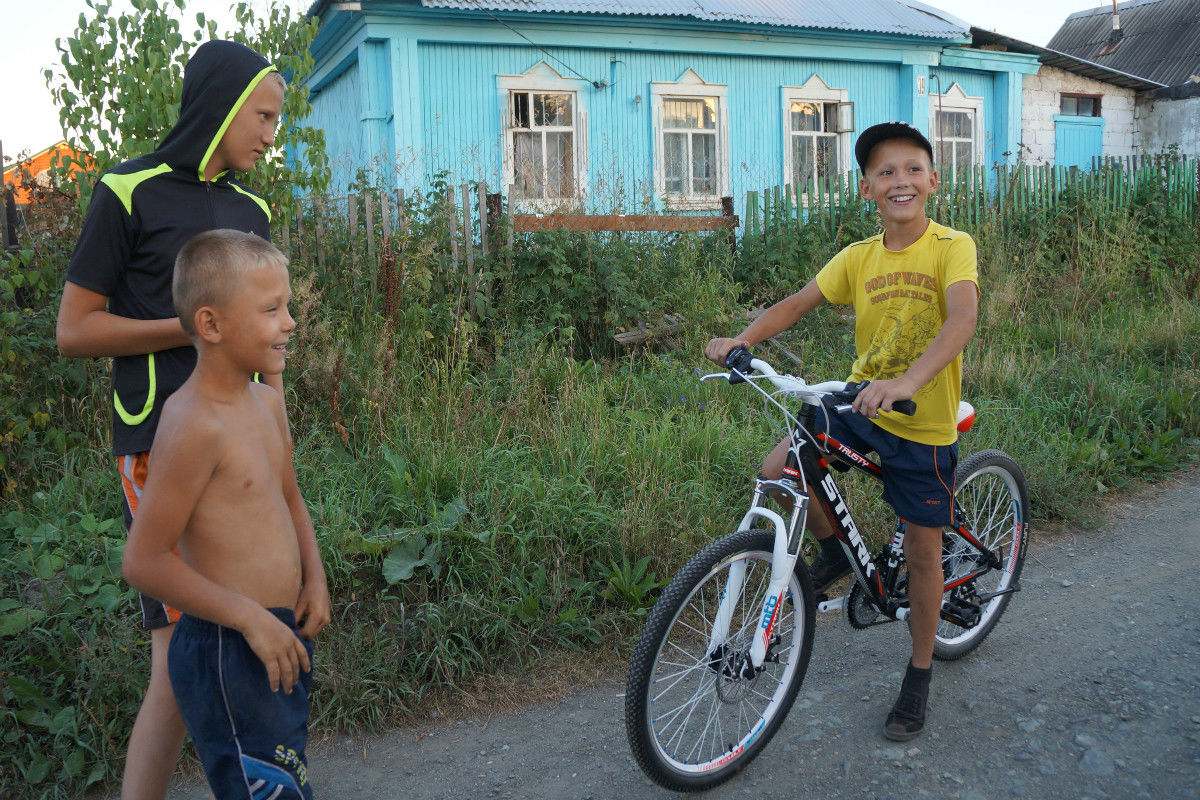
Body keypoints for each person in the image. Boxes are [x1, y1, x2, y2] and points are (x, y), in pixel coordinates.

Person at [54, 40, 322, 798]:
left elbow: (266, 340)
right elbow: (74, 329)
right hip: (157, 444)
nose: (273, 133)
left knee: (201, 652)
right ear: (222, 106)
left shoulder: (252, 209)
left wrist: (276, 426)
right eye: (265, 115)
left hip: (244, 441)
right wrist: (189, 328)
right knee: (182, 651)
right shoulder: (130, 189)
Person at [705, 121, 979, 742]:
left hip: (922, 421)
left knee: (922, 551)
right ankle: (833, 550)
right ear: (866, 189)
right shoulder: (859, 257)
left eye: (912, 169)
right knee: (780, 470)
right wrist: (742, 340)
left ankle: (918, 670)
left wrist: (909, 382)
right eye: (885, 172)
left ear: (933, 181)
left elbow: (962, 317)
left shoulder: (950, 246)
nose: (899, 181)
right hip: (858, 403)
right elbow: (797, 303)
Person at [122, 229, 327, 798]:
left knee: (287, 778)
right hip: (225, 648)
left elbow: (289, 495)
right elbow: (143, 561)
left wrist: (315, 575)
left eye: (286, 305)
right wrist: (248, 618)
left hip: (275, 633)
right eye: (271, 309)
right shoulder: (193, 424)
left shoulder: (266, 402)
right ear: (211, 325)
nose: (289, 321)